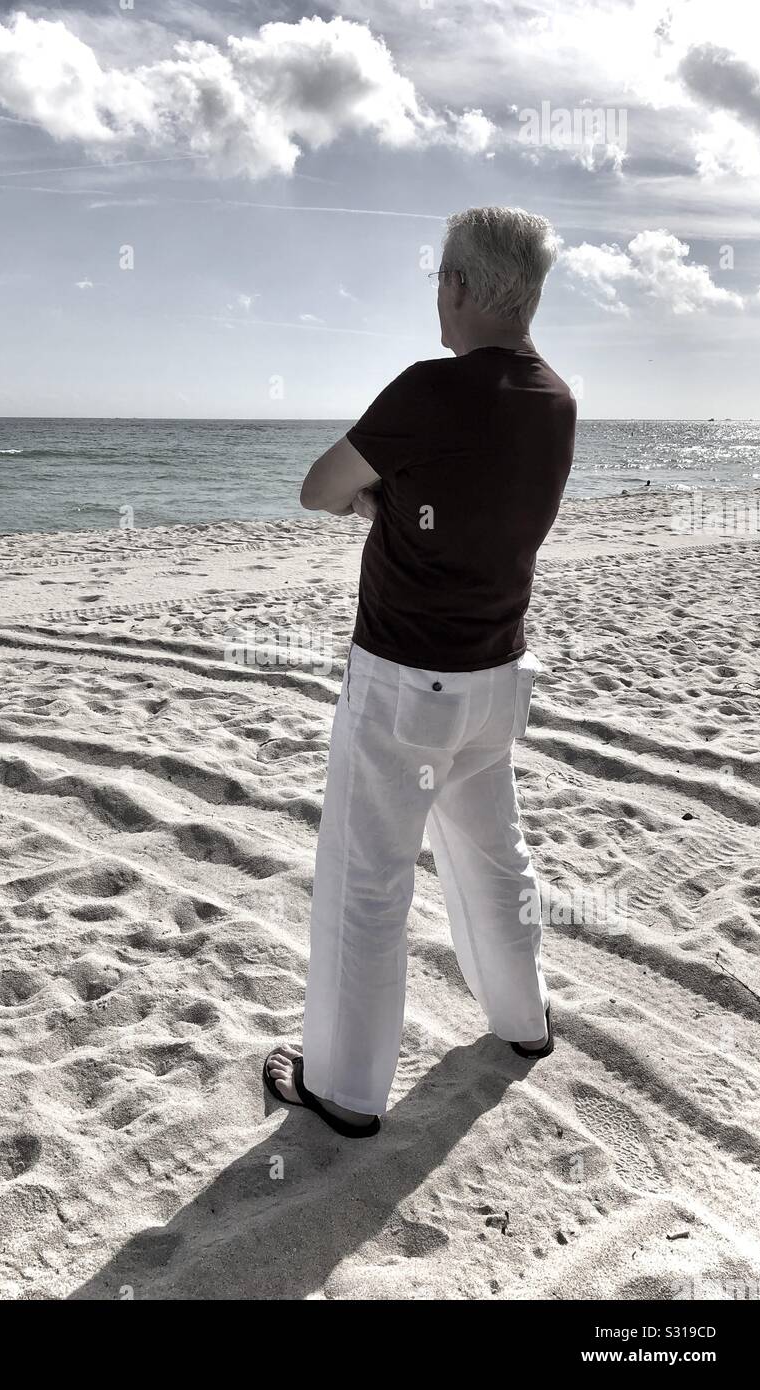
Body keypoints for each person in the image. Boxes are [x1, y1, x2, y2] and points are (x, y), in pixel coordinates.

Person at [263, 206, 577, 1139]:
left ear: (462, 286)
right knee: (491, 858)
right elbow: (473, 497)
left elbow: (317, 488)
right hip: (495, 676)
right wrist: (404, 500)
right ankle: (522, 1020)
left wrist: (378, 500)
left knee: (366, 882)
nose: (436, 294)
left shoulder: (429, 389)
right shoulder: (554, 397)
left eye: (440, 278)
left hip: (406, 680)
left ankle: (343, 1088)